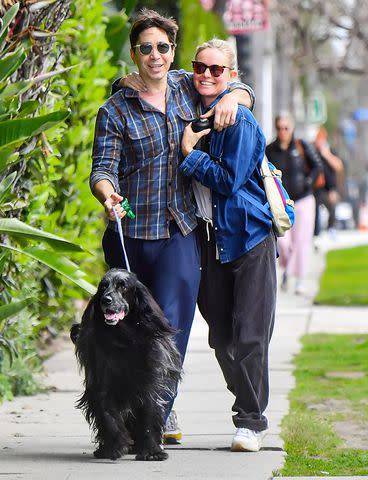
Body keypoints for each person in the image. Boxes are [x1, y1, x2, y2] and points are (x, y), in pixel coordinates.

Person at [90, 8, 254, 445]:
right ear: (134, 53)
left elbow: (232, 82)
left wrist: (237, 98)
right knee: (124, 326)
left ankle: (157, 410)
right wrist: (108, 196)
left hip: (179, 231)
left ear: (172, 50)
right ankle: (128, 407)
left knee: (171, 327)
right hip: (130, 234)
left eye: (163, 47)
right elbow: (102, 168)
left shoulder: (187, 85)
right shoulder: (114, 109)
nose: (156, 55)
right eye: (146, 48)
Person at [179, 39, 277, 453]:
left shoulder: (239, 122)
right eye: (200, 67)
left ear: (231, 75)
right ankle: (248, 406)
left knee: (251, 335)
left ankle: (251, 421)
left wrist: (189, 152)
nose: (206, 75)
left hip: (250, 236)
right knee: (221, 337)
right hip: (209, 239)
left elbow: (228, 180)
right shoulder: (188, 102)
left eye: (217, 70)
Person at [265, 113, 323, 295]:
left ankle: (297, 279)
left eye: (286, 128)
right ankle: (289, 270)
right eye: (279, 128)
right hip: (281, 203)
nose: (283, 132)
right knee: (283, 242)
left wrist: (308, 182)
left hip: (304, 199)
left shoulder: (301, 145)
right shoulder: (270, 150)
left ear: (292, 128)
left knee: (301, 242)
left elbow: (317, 166)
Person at [313, 126, 344, 238]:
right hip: (316, 189)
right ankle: (316, 233)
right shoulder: (312, 152)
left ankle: (332, 227)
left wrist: (326, 154)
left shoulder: (330, 152)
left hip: (329, 189)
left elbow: (338, 166)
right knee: (314, 205)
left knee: (332, 204)